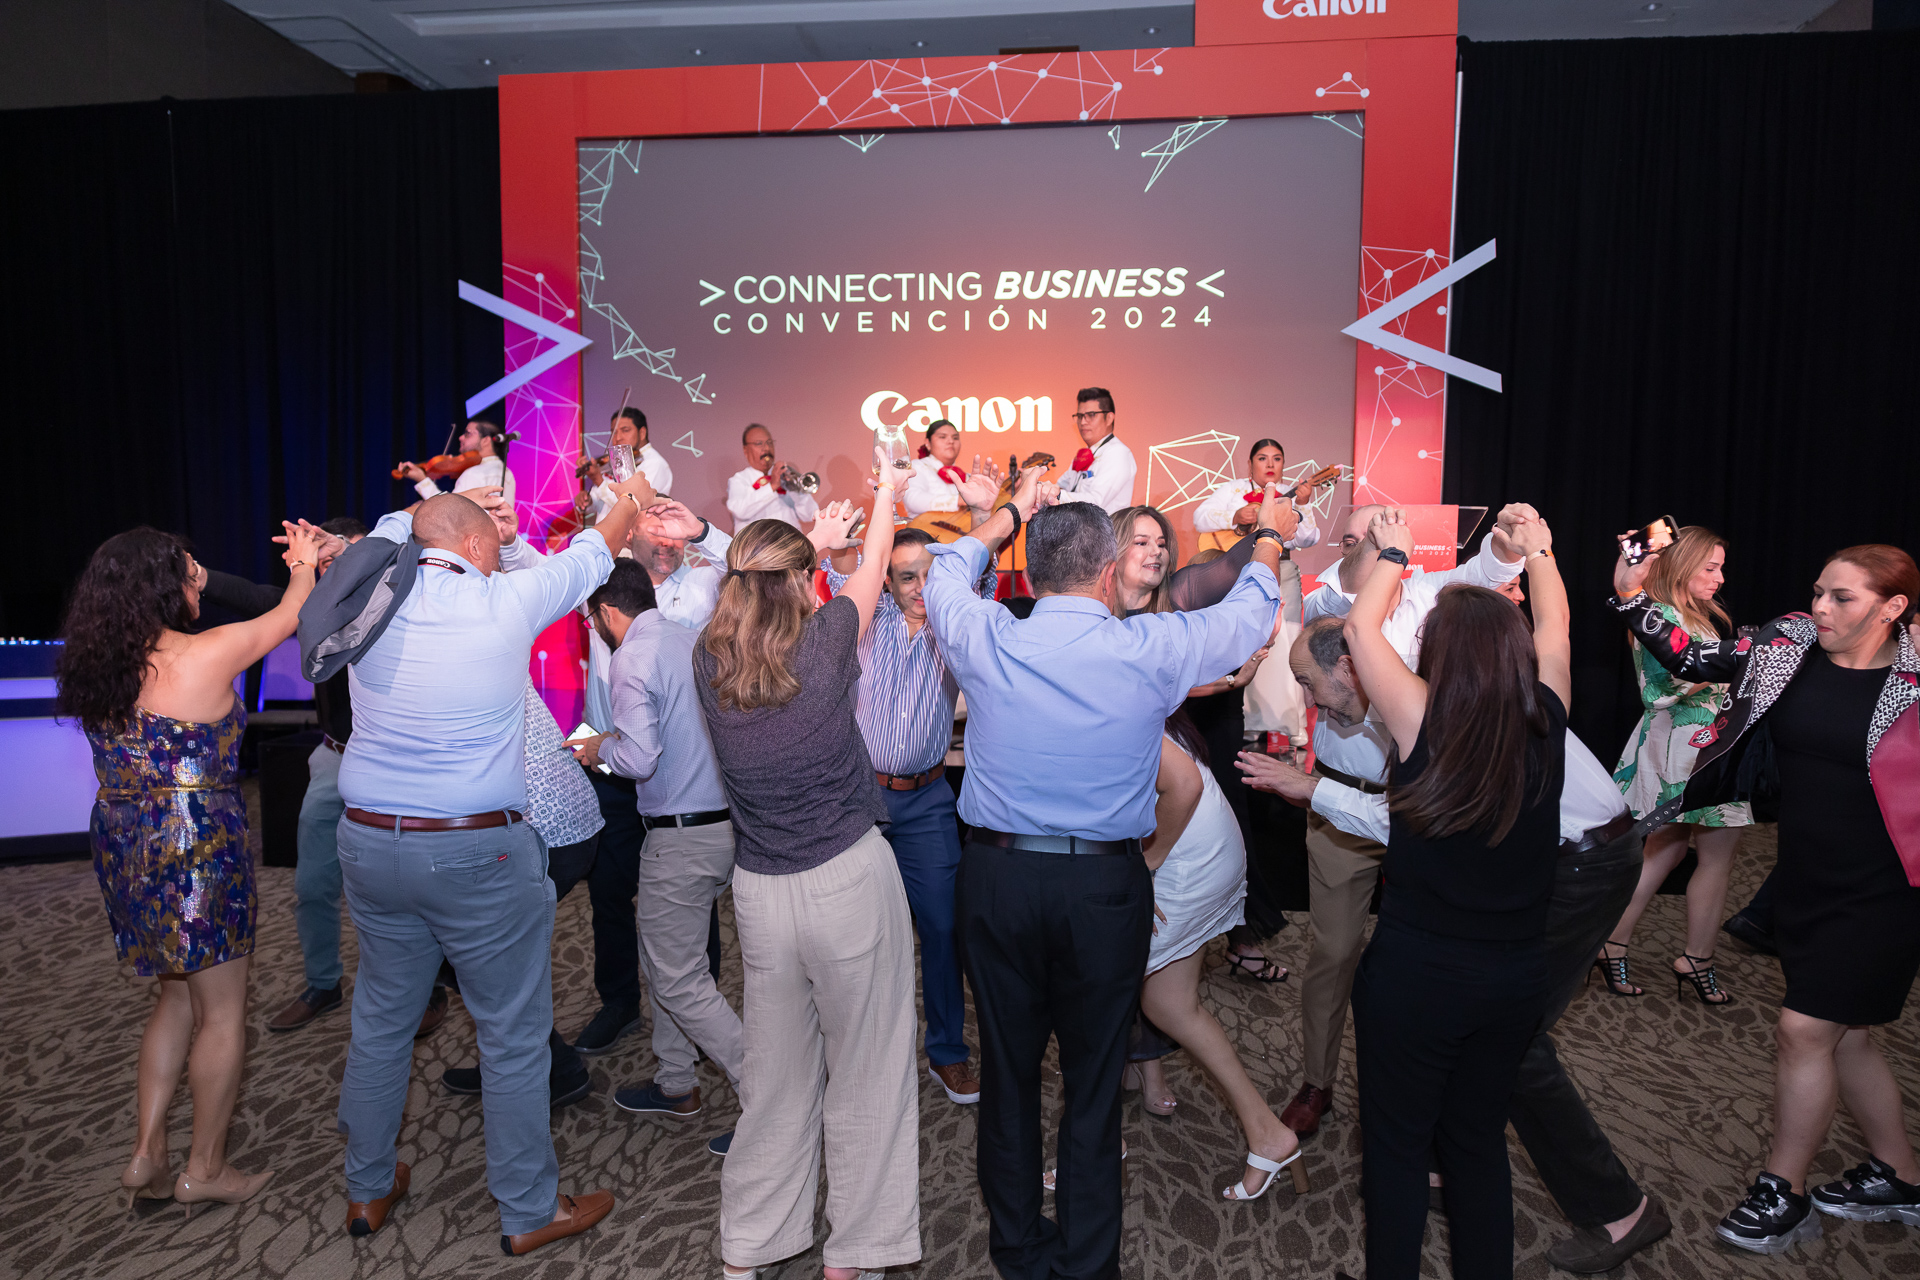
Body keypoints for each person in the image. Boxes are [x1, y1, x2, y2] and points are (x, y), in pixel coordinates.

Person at [924, 477, 1286, 1280]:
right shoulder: (1149, 649)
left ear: (1032, 571)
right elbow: (1248, 617)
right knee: (1091, 1086)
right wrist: (1268, 539)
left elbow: (948, 566)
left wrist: (1011, 511)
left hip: (997, 880)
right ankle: (1089, 1266)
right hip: (1103, 889)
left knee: (1010, 1075)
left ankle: (1020, 1253)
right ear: (1108, 570)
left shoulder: (986, 631)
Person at [1242, 609, 1672, 1273]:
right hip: (1554, 867)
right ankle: (1451, 1155)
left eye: (1307, 681)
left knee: (1511, 1046)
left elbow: (1420, 825)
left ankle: (1618, 1208)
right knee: (1487, 1053)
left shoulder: (1436, 713)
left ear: (1350, 667)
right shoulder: (1476, 699)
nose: (1307, 699)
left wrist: (1312, 789)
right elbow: (1554, 634)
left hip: (1582, 865)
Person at [313, 477, 648, 1253]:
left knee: (382, 1022)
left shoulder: (370, 601)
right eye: (493, 544)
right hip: (475, 848)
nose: (500, 555)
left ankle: (367, 1188)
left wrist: (408, 516)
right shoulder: (505, 600)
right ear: (472, 545)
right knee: (512, 1032)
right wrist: (629, 497)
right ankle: (529, 1210)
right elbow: (596, 551)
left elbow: (387, 540)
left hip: (369, 841)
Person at [1609, 543, 1920, 1255]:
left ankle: (1783, 1189)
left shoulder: (1915, 678)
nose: (1820, 608)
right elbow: (1693, 658)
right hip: (1805, 875)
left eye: (1842, 597)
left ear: (1893, 608)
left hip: (1886, 888)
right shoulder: (1790, 644)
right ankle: (1901, 1174)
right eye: (1818, 591)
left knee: (1803, 1031)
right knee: (1848, 1034)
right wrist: (1632, 598)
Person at [697, 452, 921, 1280]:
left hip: (760, 892)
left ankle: (749, 1248)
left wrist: (806, 545)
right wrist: (885, 492)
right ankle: (854, 1253)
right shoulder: (824, 643)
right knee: (869, 1065)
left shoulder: (707, 657)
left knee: (776, 1076)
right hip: (847, 879)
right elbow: (873, 563)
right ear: (798, 582)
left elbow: (768, 588)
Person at [58, 521, 321, 1215]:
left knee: (174, 995)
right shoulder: (206, 653)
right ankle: (205, 1167)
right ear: (165, 587)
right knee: (224, 1012)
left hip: (124, 839)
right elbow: (294, 614)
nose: (197, 581)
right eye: (188, 572)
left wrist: (190, 575)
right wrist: (301, 561)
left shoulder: (104, 669)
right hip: (194, 841)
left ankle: (148, 1150)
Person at [1334, 507, 1568, 1279]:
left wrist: (1395, 552)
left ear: (1436, 654)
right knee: (1476, 1144)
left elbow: (1361, 628)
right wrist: (1539, 551)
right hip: (1514, 978)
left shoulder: (1420, 715)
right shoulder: (1546, 717)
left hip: (1418, 977)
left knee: (1397, 1150)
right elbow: (1557, 628)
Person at [1274, 502, 1531, 1140]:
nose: (1359, 547)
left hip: (1424, 813)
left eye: (1373, 536)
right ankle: (1317, 1079)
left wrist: (1513, 541)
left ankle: (1412, 1088)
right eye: (1352, 538)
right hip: (1338, 804)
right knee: (1334, 953)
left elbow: (1490, 568)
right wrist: (1381, 552)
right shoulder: (1328, 603)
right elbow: (1355, 585)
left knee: (1422, 957)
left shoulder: (1427, 596)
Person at [192, 518, 451, 1040]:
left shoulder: (401, 603)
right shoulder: (316, 608)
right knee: (312, 883)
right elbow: (258, 598)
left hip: (395, 767)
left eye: (342, 558)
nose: (335, 570)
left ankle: (428, 989)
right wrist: (201, 577)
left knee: (404, 886)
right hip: (334, 759)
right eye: (327, 563)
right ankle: (322, 983)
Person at [500, 488, 732, 1055]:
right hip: (605, 762)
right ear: (630, 533)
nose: (667, 540)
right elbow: (537, 570)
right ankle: (620, 1003)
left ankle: (699, 1005)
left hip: (675, 770)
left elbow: (749, 567)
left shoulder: (704, 585)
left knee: (689, 898)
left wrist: (702, 530)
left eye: (675, 532)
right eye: (655, 527)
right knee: (607, 893)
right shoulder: (605, 583)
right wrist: (506, 543)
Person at [823, 496, 1010, 1109]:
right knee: (855, 933)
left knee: (943, 926)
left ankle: (947, 1051)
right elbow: (834, 569)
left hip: (928, 800)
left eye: (930, 574)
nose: (921, 588)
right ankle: (857, 1052)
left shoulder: (955, 622)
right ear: (887, 581)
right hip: (861, 799)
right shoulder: (865, 616)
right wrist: (851, 537)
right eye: (907, 577)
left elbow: (980, 566)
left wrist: (988, 509)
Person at [569, 560, 746, 1142]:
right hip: (723, 825)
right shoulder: (692, 641)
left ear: (607, 612)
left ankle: (770, 1097)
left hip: (679, 836)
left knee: (678, 980)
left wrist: (599, 749)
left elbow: (639, 759)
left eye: (591, 620)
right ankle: (676, 1081)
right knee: (667, 960)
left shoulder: (632, 656)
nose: (594, 629)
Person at [1138, 710, 1304, 1201]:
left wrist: (1142, 868)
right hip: (1198, 843)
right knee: (1168, 1004)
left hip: (1180, 858)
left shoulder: (1102, 688)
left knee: (1090, 1000)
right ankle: (1269, 1135)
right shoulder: (1124, 684)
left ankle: (1089, 1151)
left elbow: (1181, 784)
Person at [1599, 526, 1752, 1003]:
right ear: (1681, 566)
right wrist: (1742, 660)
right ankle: (1675, 954)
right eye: (1710, 567)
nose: (1719, 578)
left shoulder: (1685, 613)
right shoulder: (1659, 612)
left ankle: (1634, 947)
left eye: (1721, 568)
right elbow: (1669, 684)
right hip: (1686, 746)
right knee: (1684, 853)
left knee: (1680, 853)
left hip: (1701, 744)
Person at [439, 679, 603, 1110]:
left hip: (542, 832)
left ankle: (554, 1068)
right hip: (568, 821)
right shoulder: (485, 653)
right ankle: (515, 1060)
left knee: (471, 954)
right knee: (488, 955)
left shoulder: (449, 669)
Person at [1191, 438, 1324, 555]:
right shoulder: (1234, 488)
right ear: (1250, 464)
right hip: (1230, 562)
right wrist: (1234, 517)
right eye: (1262, 458)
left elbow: (1307, 540)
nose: (1270, 464)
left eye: (1277, 459)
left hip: (1276, 565)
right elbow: (1199, 518)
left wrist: (1302, 504)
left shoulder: (1293, 496)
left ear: (1283, 464)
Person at [581, 405, 674, 520]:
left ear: (642, 433)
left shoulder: (655, 463)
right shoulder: (618, 460)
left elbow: (631, 504)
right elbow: (603, 506)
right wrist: (589, 501)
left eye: (625, 430)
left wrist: (598, 480)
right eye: (614, 432)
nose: (618, 438)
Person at [1053, 387, 1137, 514]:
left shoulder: (1118, 453)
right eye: (1080, 416)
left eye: (1091, 415)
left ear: (1109, 418)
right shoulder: (1084, 454)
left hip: (1105, 527)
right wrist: (1035, 485)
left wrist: (1057, 495)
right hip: (1077, 524)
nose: (1083, 422)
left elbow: (1096, 502)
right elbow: (1061, 486)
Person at [400, 415, 515, 503]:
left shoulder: (473, 473)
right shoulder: (508, 473)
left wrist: (422, 480)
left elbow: (449, 509)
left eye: (468, 434)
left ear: (486, 440)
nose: (460, 438)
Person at [726, 423, 819, 531]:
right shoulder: (739, 480)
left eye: (770, 443)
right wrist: (772, 486)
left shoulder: (785, 475)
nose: (766, 448)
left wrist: (796, 491)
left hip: (790, 540)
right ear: (745, 450)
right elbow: (740, 511)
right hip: (759, 541)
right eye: (759, 443)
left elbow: (810, 515)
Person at [903, 418, 972, 520]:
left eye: (955, 438)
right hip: (922, 529)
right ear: (928, 443)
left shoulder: (967, 477)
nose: (950, 441)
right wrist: (957, 500)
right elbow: (913, 500)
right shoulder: (917, 467)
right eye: (942, 437)